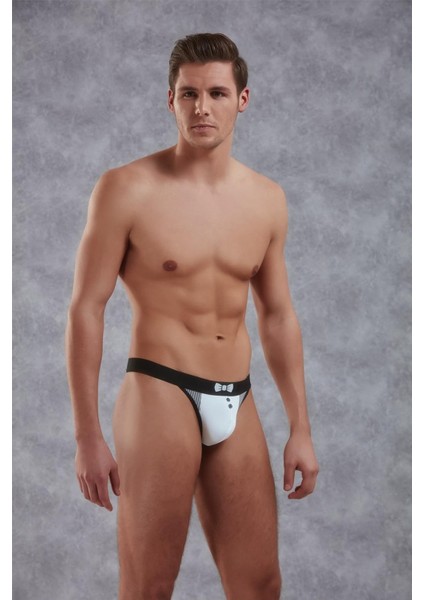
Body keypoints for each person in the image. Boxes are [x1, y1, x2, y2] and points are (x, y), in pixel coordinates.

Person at [65, 32, 319, 600]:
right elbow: (86, 307)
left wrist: (300, 427)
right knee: (150, 586)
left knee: (259, 585)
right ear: (171, 100)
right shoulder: (125, 189)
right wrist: (87, 436)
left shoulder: (267, 199)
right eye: (189, 94)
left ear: (242, 100)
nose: (202, 107)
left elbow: (278, 316)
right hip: (161, 389)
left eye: (217, 94)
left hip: (237, 395)